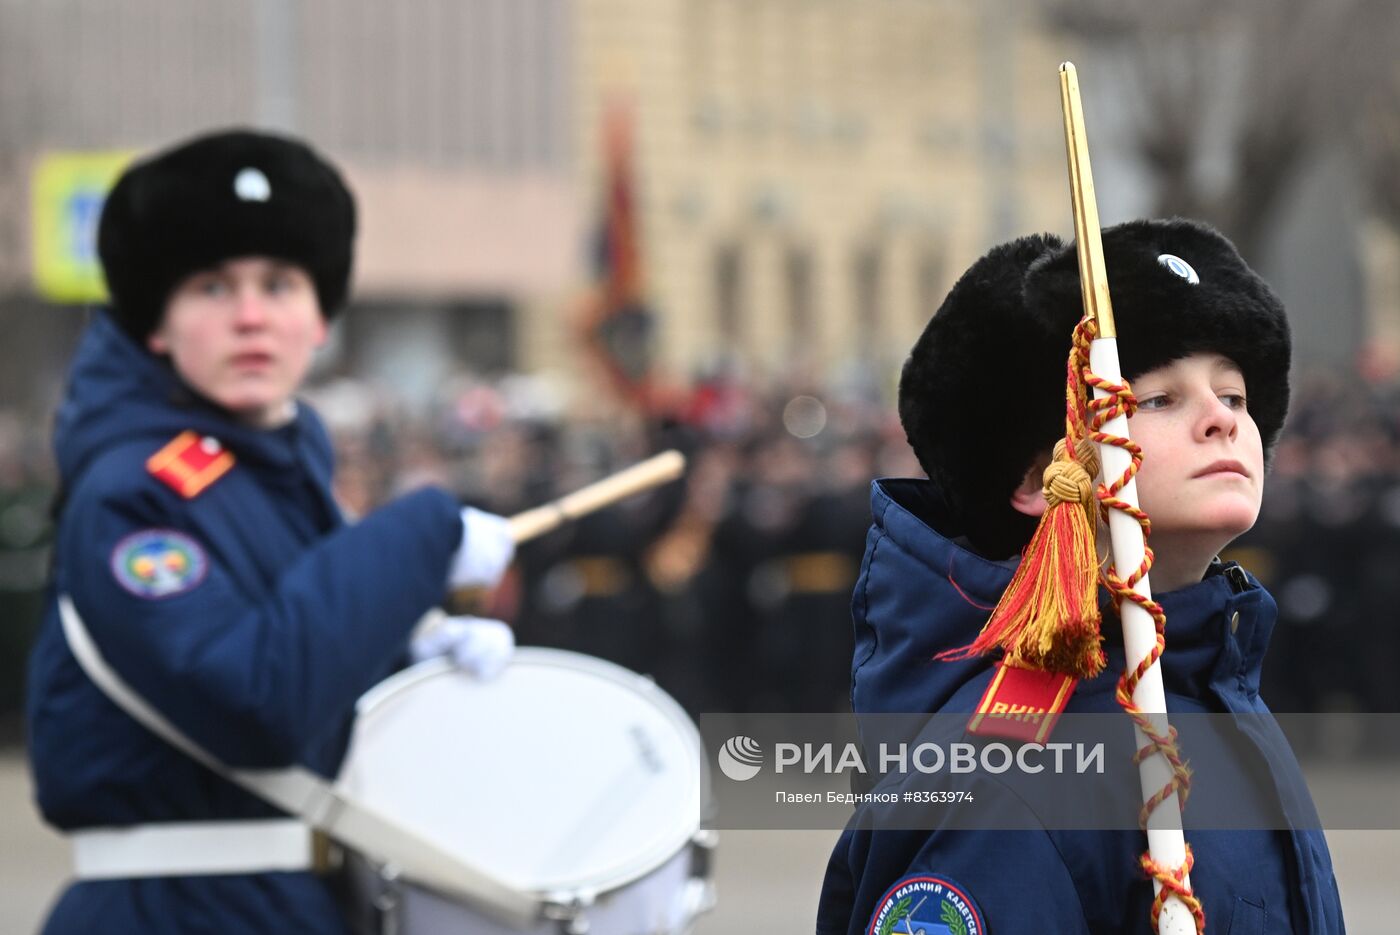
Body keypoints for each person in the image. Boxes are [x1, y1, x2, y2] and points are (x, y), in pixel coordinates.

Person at [25, 128, 520, 934]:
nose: (252, 316)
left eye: (281, 284)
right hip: (174, 912)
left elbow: (300, 663)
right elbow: (255, 699)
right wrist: (421, 535)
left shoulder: (269, 474)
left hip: (281, 902)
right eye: (213, 288)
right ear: (157, 325)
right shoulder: (136, 491)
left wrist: (405, 654)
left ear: (320, 319)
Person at [815, 219, 1346, 933]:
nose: (1220, 418)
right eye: (1158, 398)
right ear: (1047, 478)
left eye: (1234, 395)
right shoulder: (1015, 769)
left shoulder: (1214, 684)